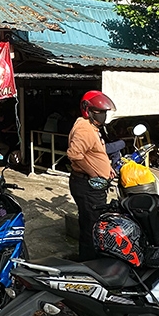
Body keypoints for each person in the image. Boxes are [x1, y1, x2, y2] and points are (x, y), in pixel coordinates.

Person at [66, 90, 116, 261]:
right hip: (87, 185)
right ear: (88, 110)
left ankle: (90, 257)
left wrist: (106, 169)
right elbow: (74, 154)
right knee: (91, 225)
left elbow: (93, 154)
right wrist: (95, 173)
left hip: (92, 183)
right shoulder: (84, 129)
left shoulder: (91, 127)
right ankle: (90, 263)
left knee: (91, 222)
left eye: (104, 112)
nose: (103, 115)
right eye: (99, 112)